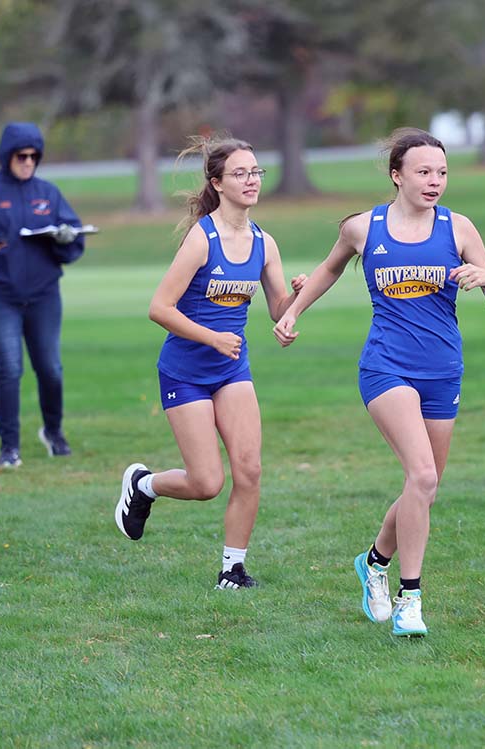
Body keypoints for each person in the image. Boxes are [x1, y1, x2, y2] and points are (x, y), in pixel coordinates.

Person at [272, 127, 485, 636]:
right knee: (422, 476)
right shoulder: (364, 228)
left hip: (443, 371)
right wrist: (292, 311)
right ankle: (411, 600)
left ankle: (374, 562)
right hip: (386, 368)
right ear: (396, 175)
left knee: (424, 487)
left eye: (442, 172)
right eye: (423, 172)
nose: (434, 181)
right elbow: (329, 269)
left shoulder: (460, 228)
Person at [113, 135, 307, 590]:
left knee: (250, 469)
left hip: (231, 369)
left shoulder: (264, 243)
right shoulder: (202, 239)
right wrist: (212, 337)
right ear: (217, 183)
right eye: (240, 173)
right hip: (185, 370)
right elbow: (159, 307)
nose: (251, 180)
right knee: (206, 483)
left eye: (256, 171)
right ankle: (143, 485)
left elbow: (278, 307)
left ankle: (232, 570)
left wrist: (295, 296)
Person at [0, 122, 86, 467]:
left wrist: (67, 239)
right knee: (9, 369)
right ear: (7, 156)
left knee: (51, 368)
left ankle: (53, 432)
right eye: (21, 155)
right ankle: (9, 447)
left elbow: (74, 238)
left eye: (33, 156)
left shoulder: (49, 194)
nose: (27, 161)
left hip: (43, 295)